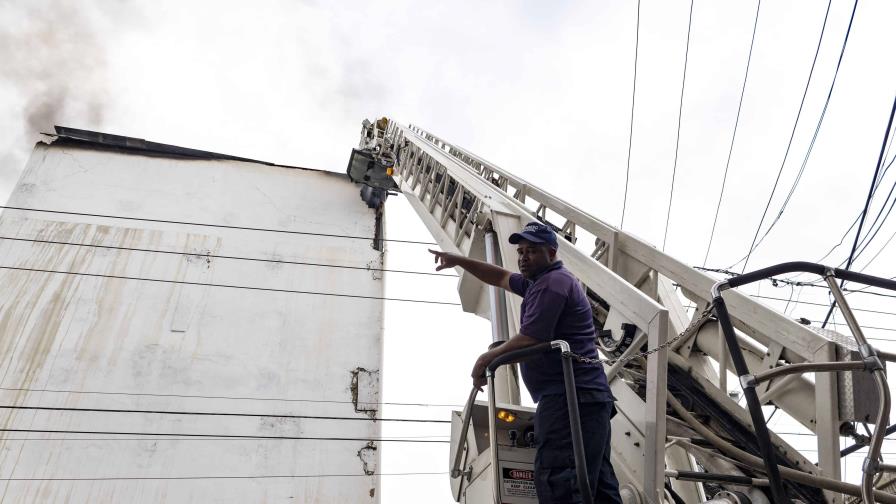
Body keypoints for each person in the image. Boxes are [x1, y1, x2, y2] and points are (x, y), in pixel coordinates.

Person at [430, 221, 622, 504]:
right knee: (598, 487)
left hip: (568, 399)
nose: (523, 257)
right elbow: (499, 277)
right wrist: (458, 260)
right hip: (588, 401)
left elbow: (532, 339)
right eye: (520, 251)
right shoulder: (540, 282)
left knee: (560, 481)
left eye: (531, 251)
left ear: (552, 253)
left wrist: (487, 358)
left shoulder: (552, 284)